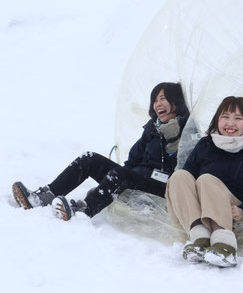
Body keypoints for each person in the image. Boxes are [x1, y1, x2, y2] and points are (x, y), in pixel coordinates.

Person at [12, 82, 189, 221]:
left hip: (163, 189)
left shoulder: (188, 131)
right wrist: (119, 177)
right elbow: (132, 162)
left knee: (121, 174)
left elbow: (187, 171)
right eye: (155, 100)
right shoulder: (152, 130)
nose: (158, 104)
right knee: (89, 159)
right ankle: (44, 197)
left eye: (163, 98)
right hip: (136, 180)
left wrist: (173, 141)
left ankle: (83, 211)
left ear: (176, 102)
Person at [165, 96, 243, 267]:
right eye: (225, 117)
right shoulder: (206, 145)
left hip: (235, 220)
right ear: (217, 120)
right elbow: (185, 184)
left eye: (238, 118)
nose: (230, 123)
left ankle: (224, 244)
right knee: (179, 176)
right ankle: (200, 239)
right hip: (201, 215)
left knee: (206, 180)